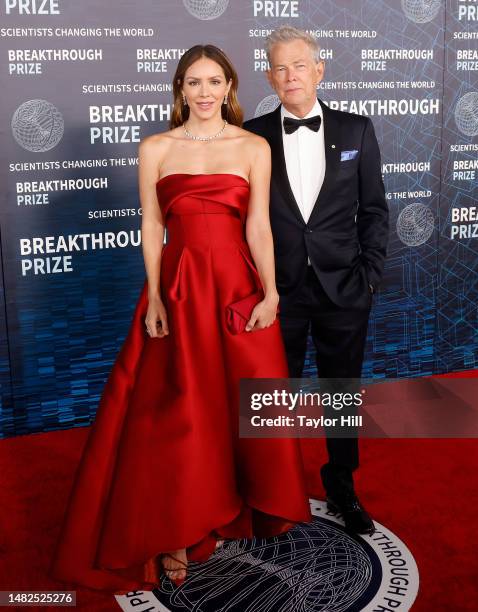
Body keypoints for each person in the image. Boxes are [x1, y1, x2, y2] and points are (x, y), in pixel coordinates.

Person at [50, 44, 311, 593]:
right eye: (194, 82)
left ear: (230, 87)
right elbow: (152, 226)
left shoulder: (253, 147)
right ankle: (173, 530)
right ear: (180, 90)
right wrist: (157, 298)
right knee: (175, 411)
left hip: (238, 288)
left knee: (243, 402)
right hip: (180, 288)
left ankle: (235, 502)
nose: (206, 92)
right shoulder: (156, 148)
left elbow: (259, 227)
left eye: (215, 81)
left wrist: (271, 294)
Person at [244, 26, 389, 535]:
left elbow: (374, 210)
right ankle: (267, 491)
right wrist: (256, 287)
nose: (291, 76)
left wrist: (369, 276)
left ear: (319, 70)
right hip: (275, 294)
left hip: (343, 290)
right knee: (269, 398)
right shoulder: (252, 133)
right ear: (269, 75)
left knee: (340, 393)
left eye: (299, 65)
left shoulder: (356, 130)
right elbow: (241, 219)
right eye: (280, 68)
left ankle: (342, 486)